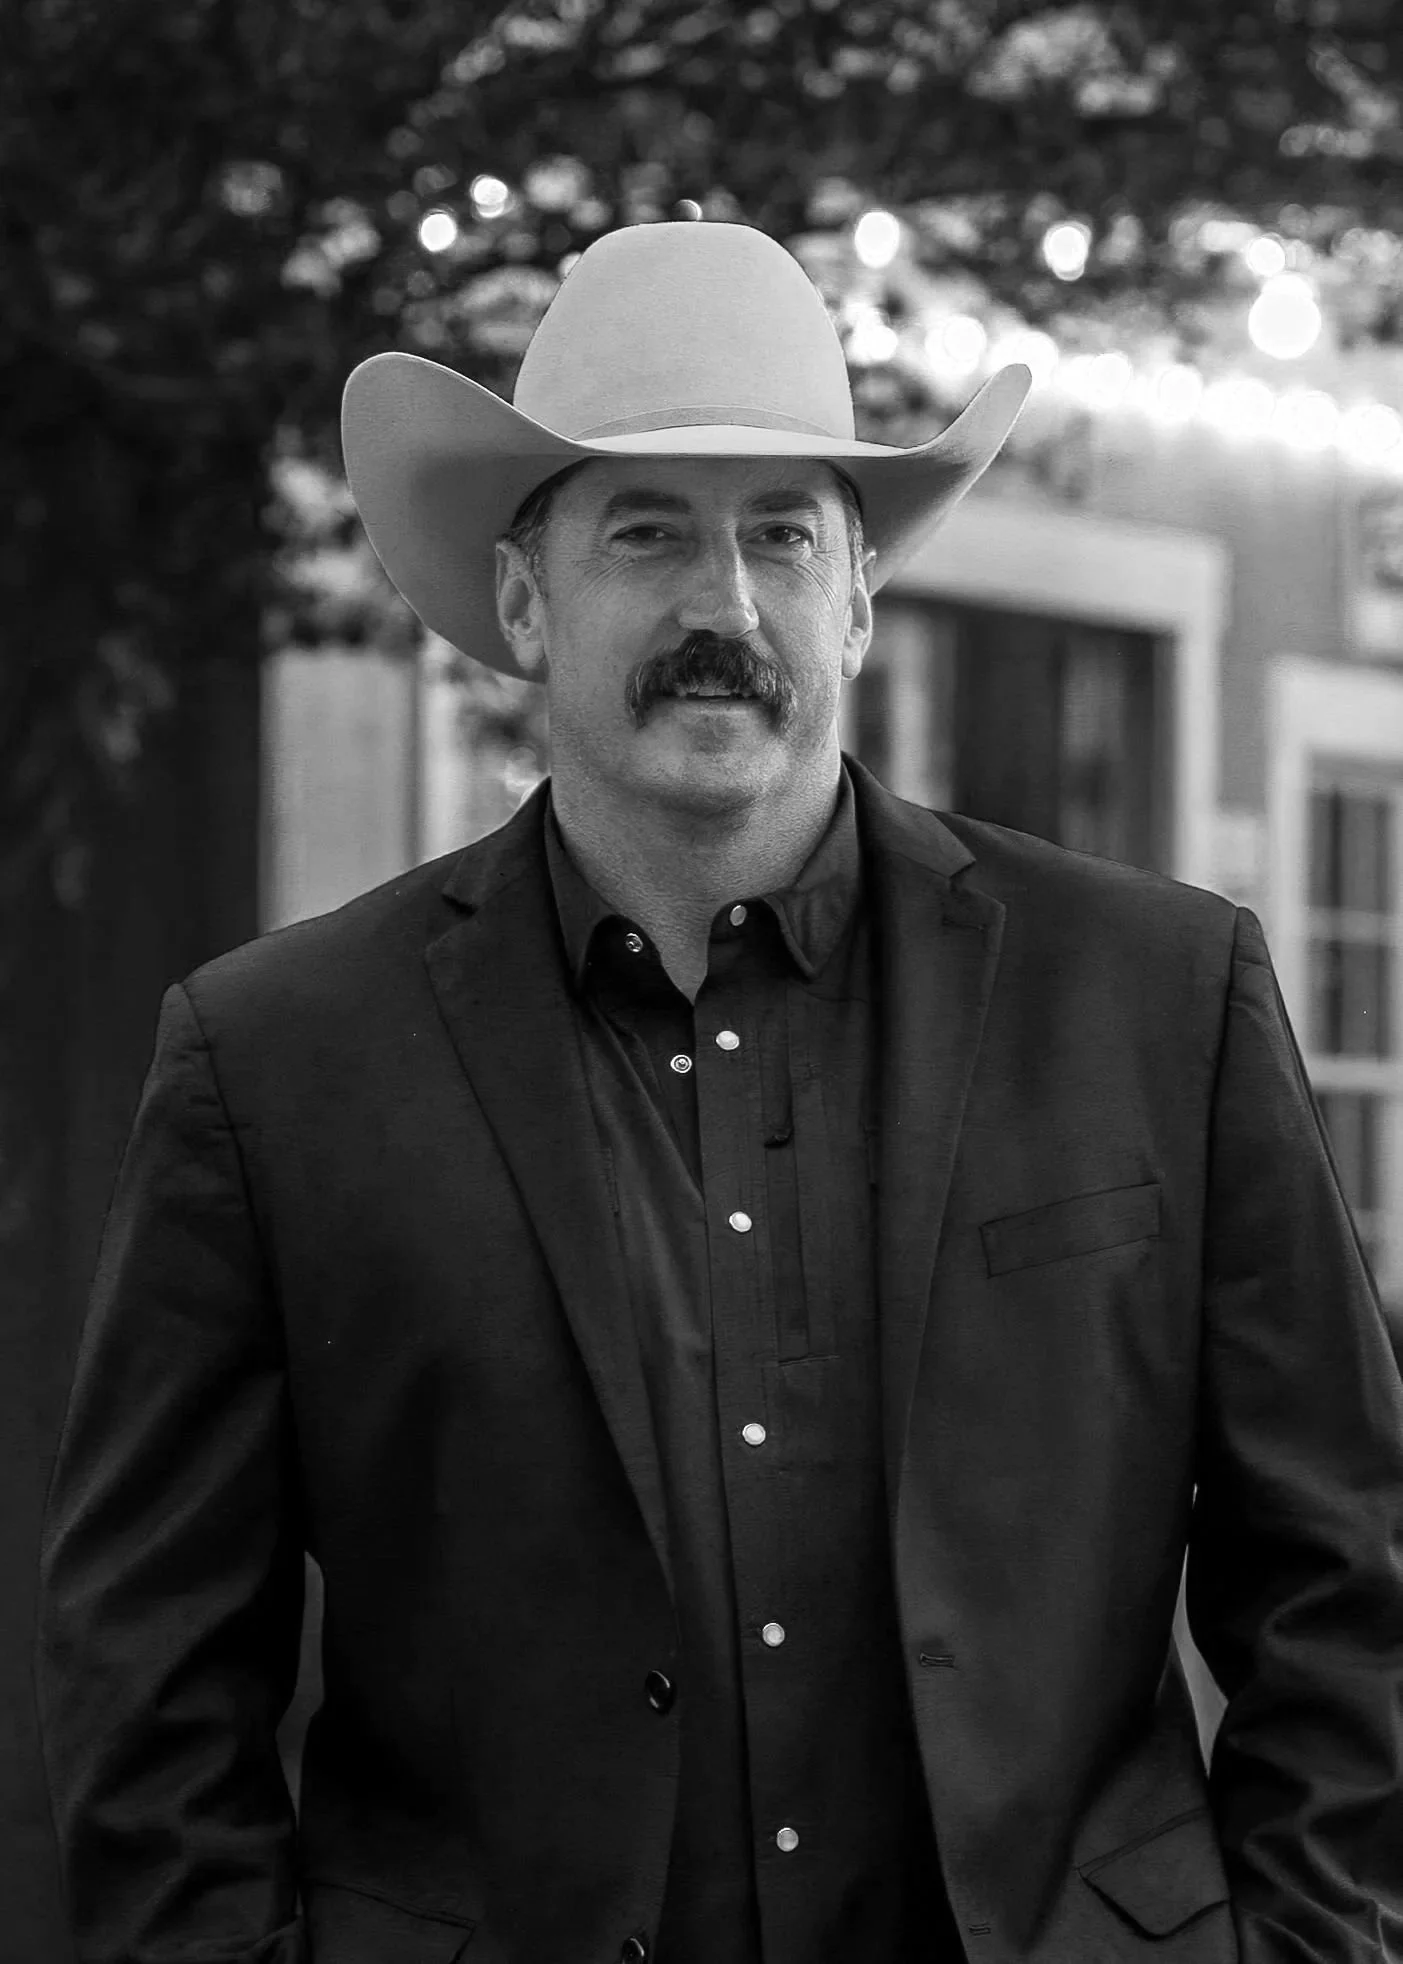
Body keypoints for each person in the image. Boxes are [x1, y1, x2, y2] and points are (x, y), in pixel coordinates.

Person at [36, 219, 1403, 1964]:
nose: (724, 607)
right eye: (649, 533)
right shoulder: (273, 1057)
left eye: (780, 533)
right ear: (524, 601)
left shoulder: (1155, 998)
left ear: (855, 593)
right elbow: (147, 1668)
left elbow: (1343, 1577)